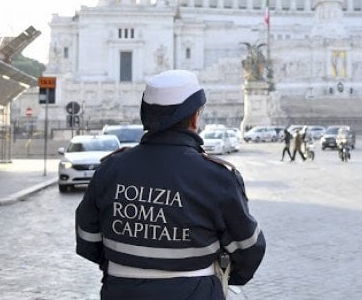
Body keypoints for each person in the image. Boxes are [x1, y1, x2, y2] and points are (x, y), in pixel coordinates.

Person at [75, 70, 265, 300]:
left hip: (120, 291)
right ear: (195, 118)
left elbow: (88, 239)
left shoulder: (110, 168)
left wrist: (130, 268)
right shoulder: (217, 177)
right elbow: (248, 248)